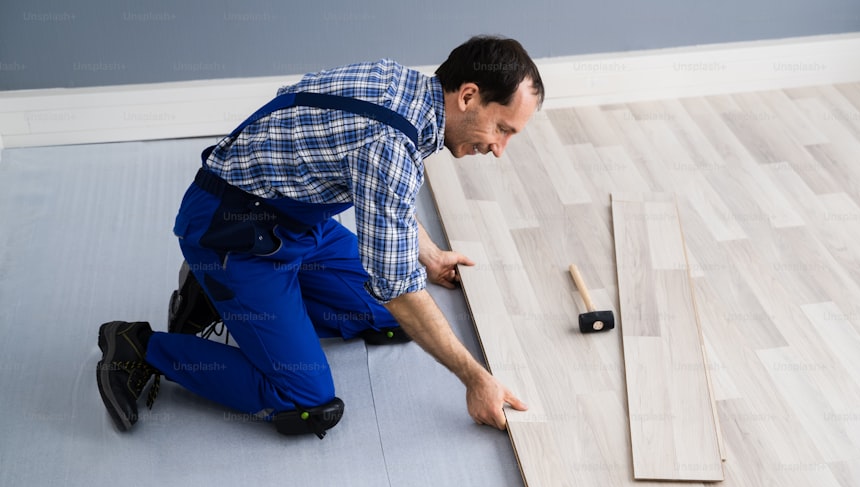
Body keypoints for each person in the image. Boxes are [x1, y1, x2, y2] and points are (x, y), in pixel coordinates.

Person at [96, 35, 544, 438]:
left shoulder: (402, 84)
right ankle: (143, 348)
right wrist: (475, 378)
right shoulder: (389, 146)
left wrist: (426, 253)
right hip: (230, 234)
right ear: (468, 96)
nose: (500, 149)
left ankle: (214, 296)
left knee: (390, 320)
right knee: (306, 401)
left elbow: (385, 196)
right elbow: (397, 280)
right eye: (502, 128)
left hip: (289, 220)